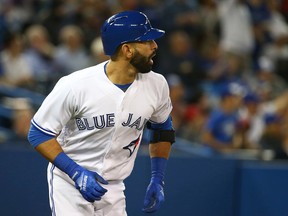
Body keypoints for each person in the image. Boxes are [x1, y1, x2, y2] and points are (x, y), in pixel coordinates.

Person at [27, 10, 175, 216]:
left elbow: (163, 130)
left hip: (114, 186)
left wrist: (157, 178)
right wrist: (75, 172)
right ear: (127, 50)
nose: (154, 46)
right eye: (147, 41)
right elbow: (38, 133)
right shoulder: (76, 85)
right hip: (69, 181)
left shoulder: (157, 85)